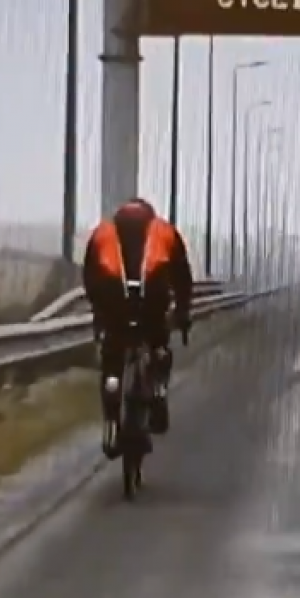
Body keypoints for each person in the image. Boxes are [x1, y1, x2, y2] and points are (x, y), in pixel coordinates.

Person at [81, 197, 194, 459]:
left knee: (112, 360)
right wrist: (183, 311)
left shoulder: (103, 232)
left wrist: (99, 309)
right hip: (152, 304)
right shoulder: (164, 231)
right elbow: (182, 277)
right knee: (159, 347)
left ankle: (111, 422)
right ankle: (157, 391)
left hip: (114, 306)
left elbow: (89, 275)